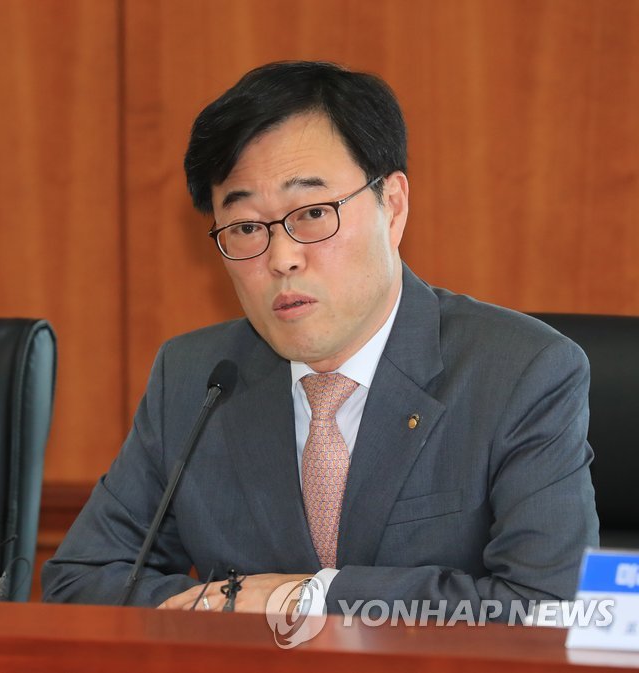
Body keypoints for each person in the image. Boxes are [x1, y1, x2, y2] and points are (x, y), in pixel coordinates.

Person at [42, 61, 598, 618]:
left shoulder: (521, 373)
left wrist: (311, 600)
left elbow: (552, 606)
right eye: (246, 228)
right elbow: (81, 579)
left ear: (392, 206)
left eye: (312, 213)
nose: (281, 258)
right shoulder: (196, 378)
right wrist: (227, 611)